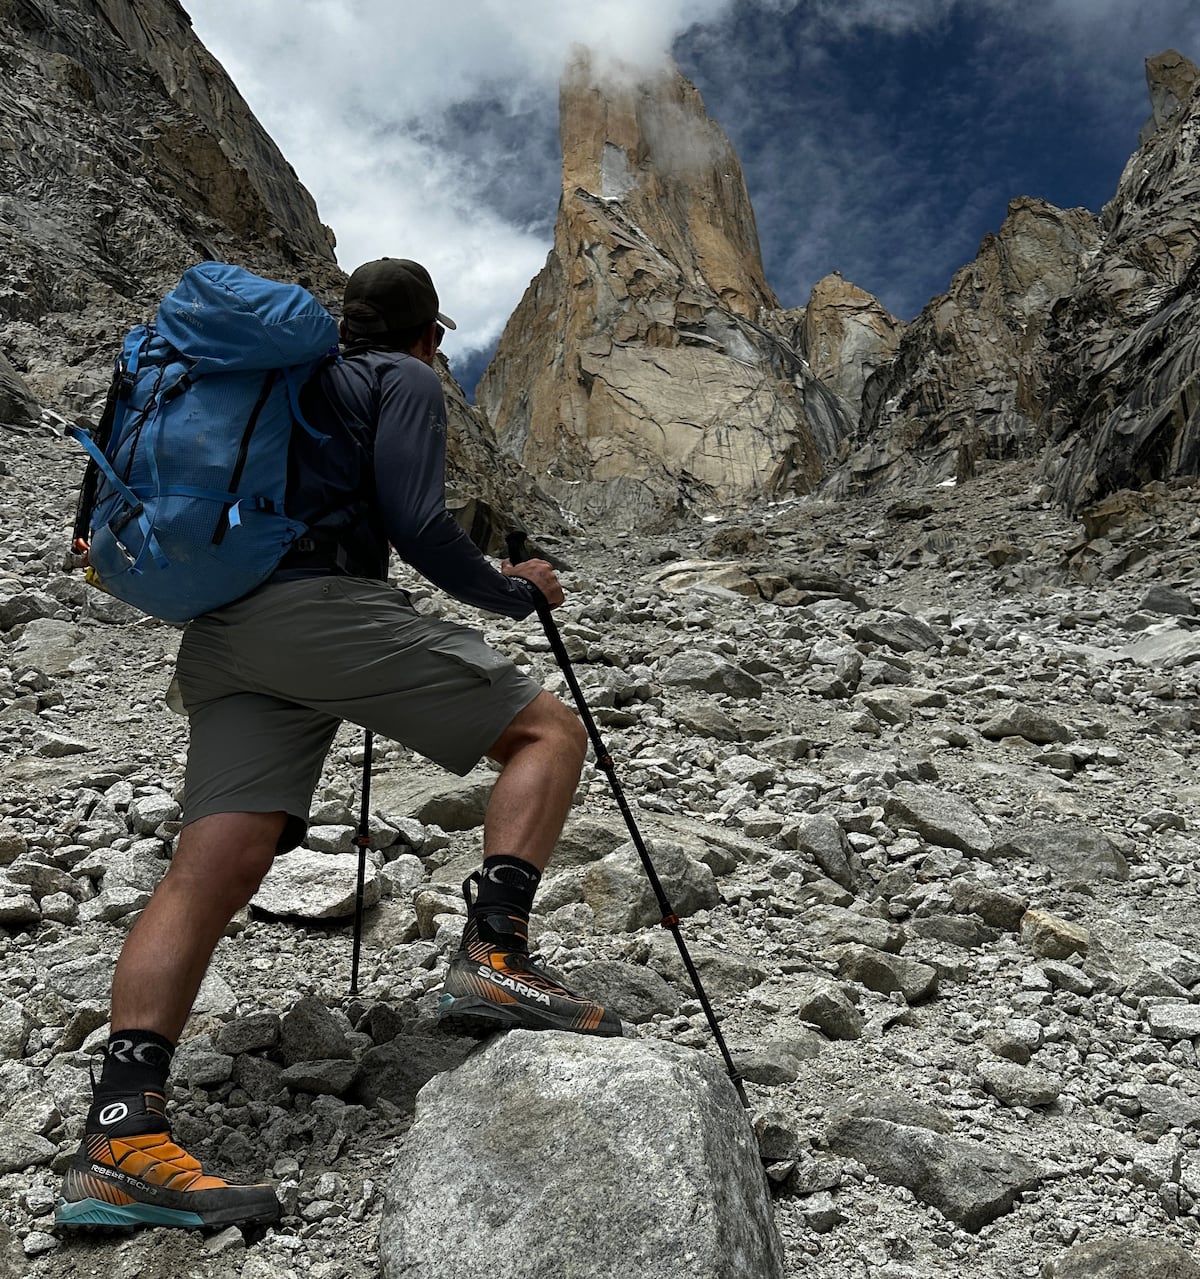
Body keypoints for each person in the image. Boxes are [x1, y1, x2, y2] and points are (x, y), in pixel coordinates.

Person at [55, 258, 621, 1233]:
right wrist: (513, 589)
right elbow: (414, 521)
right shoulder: (401, 379)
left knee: (209, 868)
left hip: (228, 631)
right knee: (548, 731)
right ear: (430, 337)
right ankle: (496, 953)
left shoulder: (299, 384)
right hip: (321, 611)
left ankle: (121, 1138)